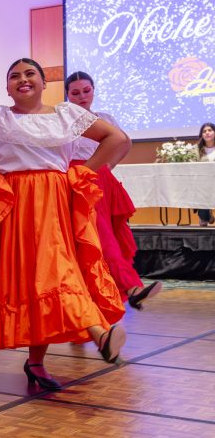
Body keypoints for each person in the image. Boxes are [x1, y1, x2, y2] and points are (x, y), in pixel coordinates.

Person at [0, 58, 130, 391]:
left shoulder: (67, 115)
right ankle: (63, 349)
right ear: (7, 87)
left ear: (45, 83)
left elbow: (114, 138)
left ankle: (92, 336)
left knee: (58, 270)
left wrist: (84, 171)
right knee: (34, 279)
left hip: (56, 203)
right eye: (14, 75)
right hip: (14, 205)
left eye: (30, 74)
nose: (22, 79)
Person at [66, 72, 162, 309]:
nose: (82, 97)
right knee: (98, 238)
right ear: (67, 94)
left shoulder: (104, 118)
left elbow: (125, 142)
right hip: (77, 180)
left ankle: (100, 302)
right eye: (75, 92)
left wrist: (108, 166)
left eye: (86, 91)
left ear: (94, 90)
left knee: (109, 236)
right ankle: (130, 287)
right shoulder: (64, 119)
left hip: (101, 179)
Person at [195, 122, 215, 227]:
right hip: (202, 183)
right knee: (200, 189)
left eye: (210, 130)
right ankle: (205, 217)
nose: (207, 133)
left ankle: (207, 216)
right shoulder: (196, 149)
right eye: (204, 131)